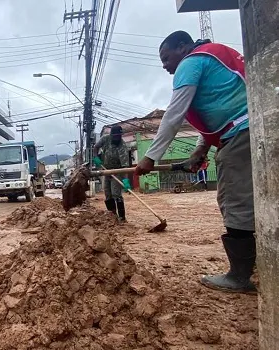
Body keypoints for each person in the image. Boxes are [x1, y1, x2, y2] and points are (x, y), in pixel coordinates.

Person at [135, 31, 255, 293]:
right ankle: (256, 265)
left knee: (235, 203)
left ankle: (239, 277)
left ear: (183, 47)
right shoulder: (212, 57)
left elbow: (173, 116)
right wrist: (200, 150)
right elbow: (219, 112)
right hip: (245, 130)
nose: (165, 65)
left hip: (241, 135)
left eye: (166, 58)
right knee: (253, 202)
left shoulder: (191, 62)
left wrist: (149, 157)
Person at [93, 125, 130, 222]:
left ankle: (122, 218)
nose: (117, 138)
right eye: (115, 136)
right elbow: (96, 147)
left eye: (119, 136)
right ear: (111, 135)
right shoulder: (105, 139)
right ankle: (112, 216)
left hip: (117, 171)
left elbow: (125, 167)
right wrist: (96, 157)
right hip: (106, 170)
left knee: (116, 193)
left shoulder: (122, 147)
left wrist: (125, 180)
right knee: (107, 194)